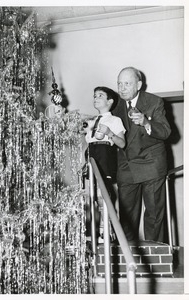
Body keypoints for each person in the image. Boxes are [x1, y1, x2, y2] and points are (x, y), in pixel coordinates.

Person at [113, 67, 171, 242]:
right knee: (126, 218)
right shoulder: (114, 105)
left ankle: (155, 257)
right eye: (119, 84)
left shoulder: (154, 102)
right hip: (126, 166)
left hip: (151, 164)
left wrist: (147, 122)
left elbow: (166, 131)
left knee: (154, 216)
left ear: (138, 85)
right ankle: (127, 258)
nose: (122, 88)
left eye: (127, 84)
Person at [83, 86, 126, 241]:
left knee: (103, 197)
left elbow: (122, 144)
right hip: (91, 157)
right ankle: (96, 231)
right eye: (95, 95)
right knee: (92, 198)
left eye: (100, 95)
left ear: (110, 101)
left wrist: (109, 133)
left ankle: (105, 232)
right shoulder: (91, 121)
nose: (96, 98)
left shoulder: (115, 120)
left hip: (105, 158)